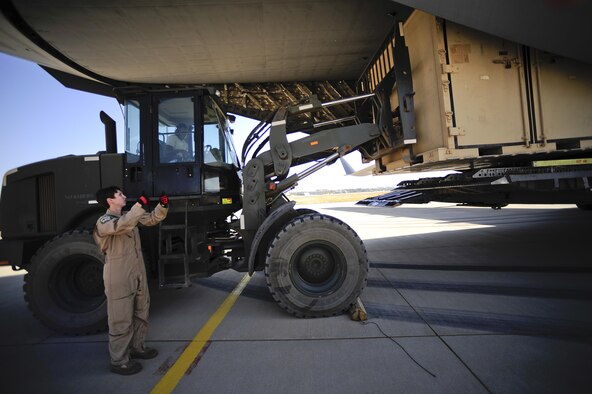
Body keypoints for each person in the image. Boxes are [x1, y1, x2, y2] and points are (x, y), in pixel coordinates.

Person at [93, 186, 169, 375]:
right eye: (120, 194)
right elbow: (121, 226)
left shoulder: (129, 215)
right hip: (118, 275)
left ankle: (137, 347)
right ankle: (119, 361)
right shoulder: (105, 221)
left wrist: (162, 205)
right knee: (121, 319)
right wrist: (139, 205)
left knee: (141, 311)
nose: (124, 196)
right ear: (110, 201)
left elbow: (152, 219)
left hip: (137, 272)